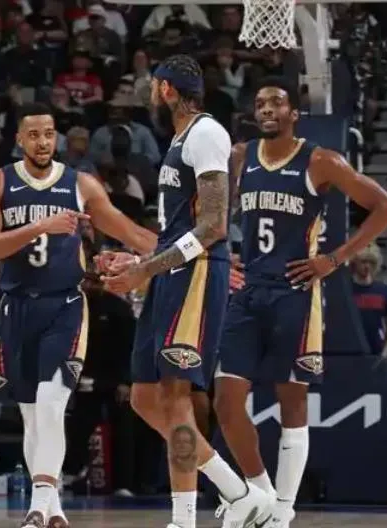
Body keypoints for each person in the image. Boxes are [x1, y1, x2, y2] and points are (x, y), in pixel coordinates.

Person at [213, 77, 387, 528]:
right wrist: (222, 253)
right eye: (260, 102)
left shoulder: (320, 161)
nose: (266, 108)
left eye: (276, 102)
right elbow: (214, 216)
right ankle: (260, 493)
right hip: (247, 290)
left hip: (295, 291)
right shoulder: (240, 157)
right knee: (225, 402)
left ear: (294, 114)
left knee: (291, 400)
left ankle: (283, 510)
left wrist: (334, 259)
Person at [0, 102, 157, 528]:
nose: (43, 142)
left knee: (52, 403)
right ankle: (52, 508)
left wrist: (187, 250)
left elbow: (129, 230)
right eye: (34, 134)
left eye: (49, 133)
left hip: (64, 306)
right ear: (19, 139)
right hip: (16, 306)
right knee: (31, 415)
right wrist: (41, 226)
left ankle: (37, 507)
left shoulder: (80, 183)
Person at [97, 54, 261, 528]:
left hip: (198, 272)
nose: (150, 93)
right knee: (144, 398)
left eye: (153, 85)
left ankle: (184, 520)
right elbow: (178, 230)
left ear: (166, 89)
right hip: (173, 272)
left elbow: (213, 225)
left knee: (175, 398)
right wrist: (139, 262)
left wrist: (146, 269)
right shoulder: (180, 138)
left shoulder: (207, 133)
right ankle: (237, 492)